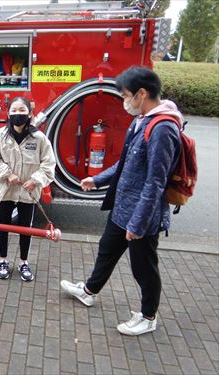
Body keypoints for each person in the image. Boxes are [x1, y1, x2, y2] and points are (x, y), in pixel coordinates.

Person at [60, 66, 182, 336]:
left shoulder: (163, 128)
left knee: (144, 268)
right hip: (123, 207)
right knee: (107, 250)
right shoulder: (143, 120)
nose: (125, 101)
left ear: (142, 93)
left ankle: (148, 316)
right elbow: (125, 163)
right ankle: (89, 291)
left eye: (126, 95)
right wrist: (97, 179)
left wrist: (138, 225)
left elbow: (155, 182)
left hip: (142, 216)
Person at [0, 96, 56, 282]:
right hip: (6, 191)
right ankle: (3, 261)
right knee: (3, 227)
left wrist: (36, 180)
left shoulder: (39, 138)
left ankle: (24, 263)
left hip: (28, 192)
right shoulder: (0, 136)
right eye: (14, 110)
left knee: (26, 229)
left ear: (30, 114)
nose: (18, 114)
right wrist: (7, 174)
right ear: (8, 113)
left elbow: (49, 164)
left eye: (22, 110)